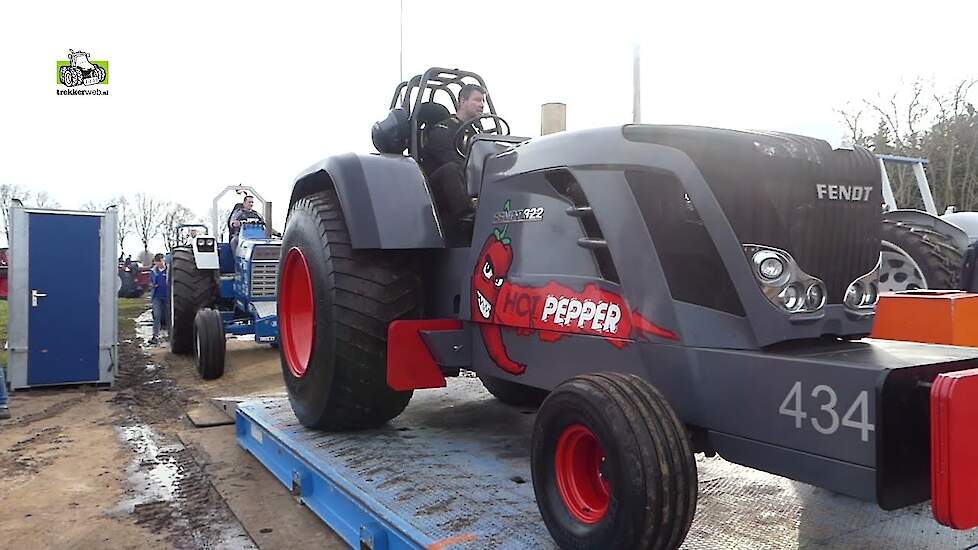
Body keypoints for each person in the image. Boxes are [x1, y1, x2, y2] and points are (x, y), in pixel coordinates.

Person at [423, 84, 486, 242]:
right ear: (462, 101)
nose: (481, 105)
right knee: (452, 168)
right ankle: (467, 217)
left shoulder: (477, 134)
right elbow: (450, 159)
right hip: (436, 188)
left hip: (464, 183)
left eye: (483, 101)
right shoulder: (442, 129)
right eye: (477, 100)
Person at [149, 253, 169, 345]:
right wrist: (152, 285)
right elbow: (149, 283)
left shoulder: (169, 271)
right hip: (156, 296)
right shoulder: (153, 271)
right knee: (157, 316)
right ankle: (155, 336)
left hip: (167, 297)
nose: (159, 264)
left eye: (161, 261)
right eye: (157, 262)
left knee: (169, 316)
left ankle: (170, 335)